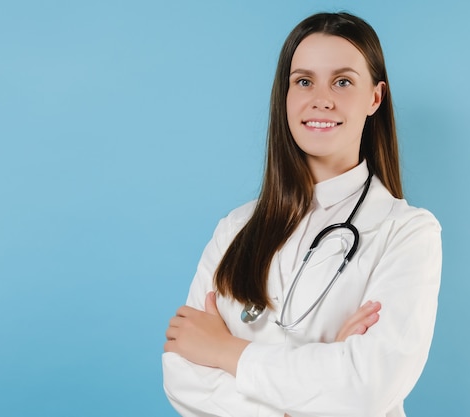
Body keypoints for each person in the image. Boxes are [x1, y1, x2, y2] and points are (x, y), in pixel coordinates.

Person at [163, 11, 442, 417]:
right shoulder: (235, 229)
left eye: (343, 81)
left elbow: (367, 387)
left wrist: (227, 352)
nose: (321, 98)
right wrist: (320, 384)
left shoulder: (407, 232)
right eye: (304, 81)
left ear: (375, 98)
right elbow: (183, 376)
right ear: (286, 94)